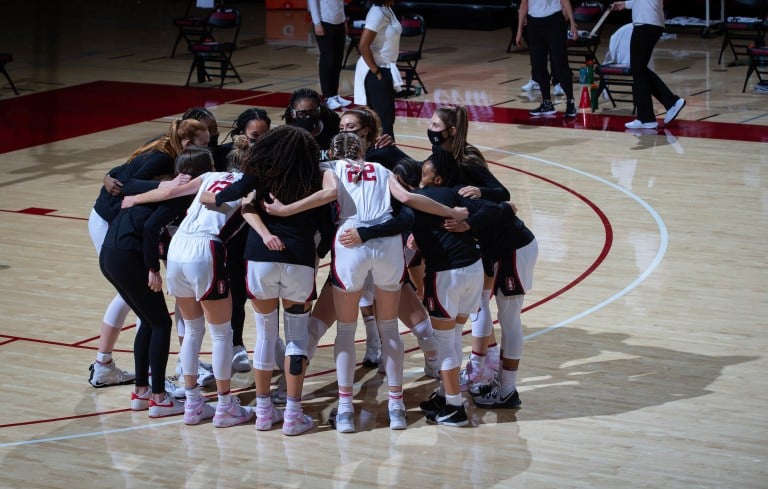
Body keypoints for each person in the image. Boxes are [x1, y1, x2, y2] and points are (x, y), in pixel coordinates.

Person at [264, 132, 469, 433]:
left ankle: (345, 409)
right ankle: (396, 408)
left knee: (346, 330)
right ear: (362, 150)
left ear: (332, 151)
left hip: (351, 240)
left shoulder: (330, 168)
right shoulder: (383, 169)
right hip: (387, 244)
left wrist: (285, 210)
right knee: (390, 329)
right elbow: (410, 199)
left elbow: (329, 194)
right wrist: (453, 212)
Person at [204, 125, 334, 436]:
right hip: (299, 262)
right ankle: (292, 413)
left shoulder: (258, 175)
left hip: (259, 259)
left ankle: (263, 412)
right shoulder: (314, 179)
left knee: (264, 335)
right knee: (296, 340)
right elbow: (327, 229)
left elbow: (220, 199)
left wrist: (211, 194)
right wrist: (317, 255)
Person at [121, 137, 256, 427]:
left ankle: (193, 403)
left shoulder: (209, 176)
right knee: (221, 334)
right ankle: (224, 405)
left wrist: (135, 198)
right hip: (205, 248)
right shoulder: (249, 185)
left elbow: (172, 191)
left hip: (177, 246)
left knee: (192, 329)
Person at [87, 119, 208, 389]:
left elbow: (120, 170)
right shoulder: (163, 158)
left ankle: (147, 385)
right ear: (188, 144)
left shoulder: (169, 146)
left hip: (124, 230)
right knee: (138, 301)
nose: (209, 146)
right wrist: (164, 188)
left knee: (148, 314)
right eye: (205, 142)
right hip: (111, 224)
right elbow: (126, 183)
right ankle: (106, 365)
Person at [411, 149, 501, 427]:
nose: (420, 174)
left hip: (446, 275)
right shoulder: (457, 195)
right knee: (453, 339)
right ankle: (443, 394)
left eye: (424, 170)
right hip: (473, 271)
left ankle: (453, 407)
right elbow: (496, 208)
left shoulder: (419, 197)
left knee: (445, 345)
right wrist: (467, 224)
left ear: (436, 178)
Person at [610, 0, 686, 129]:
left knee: (638, 69)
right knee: (640, 70)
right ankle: (650, 115)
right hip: (649, 21)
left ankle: (667, 104)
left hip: (646, 22)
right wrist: (626, 4)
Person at [515, 0, 578, 117]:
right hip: (534, 24)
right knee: (538, 65)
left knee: (560, 64)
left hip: (554, 21)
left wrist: (573, 24)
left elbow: (565, 1)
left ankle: (571, 103)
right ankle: (547, 103)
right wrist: (519, 29)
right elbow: (524, 3)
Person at [354, 0, 402, 139]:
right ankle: (383, 157)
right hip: (374, 70)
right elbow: (363, 45)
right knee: (383, 123)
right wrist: (377, 71)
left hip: (385, 68)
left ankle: (383, 156)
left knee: (386, 120)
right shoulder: (376, 12)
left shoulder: (387, 9)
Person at [308, 0, 352, 110]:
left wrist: (344, 20)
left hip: (339, 21)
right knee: (328, 60)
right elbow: (312, 2)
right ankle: (328, 97)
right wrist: (317, 23)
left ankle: (334, 95)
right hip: (324, 22)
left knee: (338, 61)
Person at [282, 88, 341, 156]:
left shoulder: (333, 128)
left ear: (319, 110)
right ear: (293, 114)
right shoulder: (289, 137)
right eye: (302, 113)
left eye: (312, 112)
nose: (308, 116)